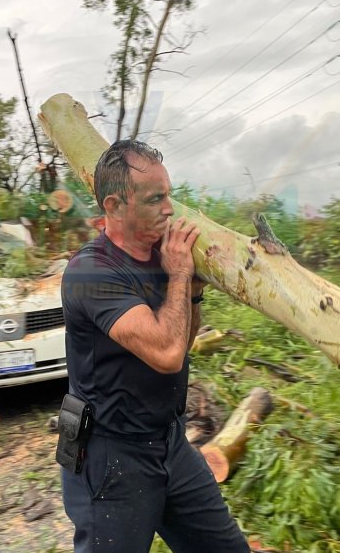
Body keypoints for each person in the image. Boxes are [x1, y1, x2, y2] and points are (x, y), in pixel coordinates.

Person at [60, 139, 249, 552]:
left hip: (170, 443)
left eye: (170, 195)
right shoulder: (90, 272)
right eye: (155, 199)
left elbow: (181, 342)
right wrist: (180, 274)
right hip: (111, 456)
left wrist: (193, 292)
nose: (169, 209)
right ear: (113, 206)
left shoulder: (158, 256)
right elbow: (165, 355)